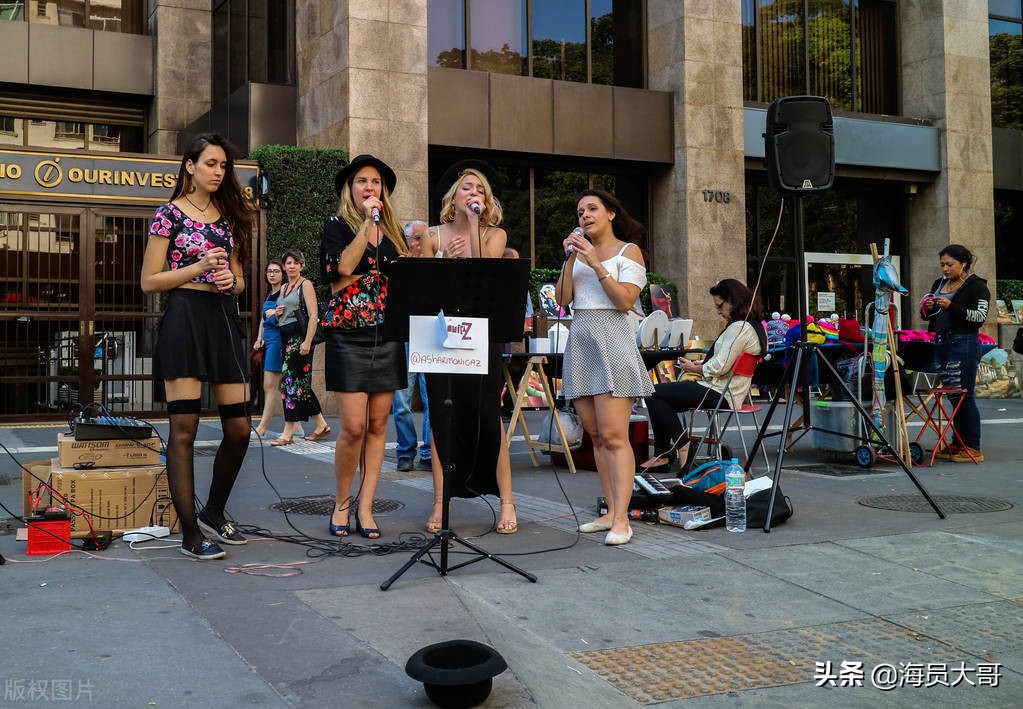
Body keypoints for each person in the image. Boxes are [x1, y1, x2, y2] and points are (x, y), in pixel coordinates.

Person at [140, 132, 253, 560]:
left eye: (223, 166)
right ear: (190, 165)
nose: (218, 172)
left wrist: (232, 280)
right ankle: (190, 533)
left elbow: (241, 278)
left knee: (239, 428)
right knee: (183, 430)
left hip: (222, 318)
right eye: (211, 164)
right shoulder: (168, 215)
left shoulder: (227, 217)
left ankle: (214, 510)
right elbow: (149, 282)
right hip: (184, 317)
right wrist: (199, 267)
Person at [420, 162, 518, 534]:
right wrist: (444, 259)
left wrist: (475, 225)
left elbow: (486, 272)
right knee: (441, 416)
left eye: (479, 189)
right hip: (441, 332)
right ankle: (440, 502)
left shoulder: (494, 233)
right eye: (466, 188)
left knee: (487, 412)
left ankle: (506, 501)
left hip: (481, 332)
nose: (473, 193)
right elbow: (425, 288)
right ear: (452, 198)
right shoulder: (432, 235)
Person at [555, 189, 653, 546]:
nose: (585, 215)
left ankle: (623, 520)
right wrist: (570, 259)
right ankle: (611, 511)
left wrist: (595, 262)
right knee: (595, 436)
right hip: (581, 339)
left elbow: (625, 300)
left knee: (614, 436)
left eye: (592, 208)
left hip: (611, 339)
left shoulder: (628, 251)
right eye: (580, 211)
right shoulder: (577, 255)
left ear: (611, 213)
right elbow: (563, 301)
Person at [320, 154, 409, 538]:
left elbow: (404, 279)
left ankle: (367, 507)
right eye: (361, 181)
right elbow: (340, 268)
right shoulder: (337, 225)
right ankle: (342, 503)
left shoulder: (395, 232)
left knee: (377, 425)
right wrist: (366, 228)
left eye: (375, 182)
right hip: (348, 332)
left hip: (386, 334)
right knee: (353, 427)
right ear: (350, 188)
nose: (369, 188)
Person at [643, 279, 768, 474]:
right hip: (727, 391)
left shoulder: (739, 328)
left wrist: (694, 368)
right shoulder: (753, 326)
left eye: (720, 305)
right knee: (659, 399)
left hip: (720, 392)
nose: (718, 311)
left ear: (734, 301)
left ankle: (680, 447)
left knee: (653, 392)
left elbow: (719, 366)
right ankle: (666, 453)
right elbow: (724, 363)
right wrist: (698, 367)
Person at [920, 244, 990, 463]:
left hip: (964, 343)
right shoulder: (939, 283)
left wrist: (952, 305)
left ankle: (973, 447)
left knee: (963, 395)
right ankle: (958, 443)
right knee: (952, 396)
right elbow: (928, 316)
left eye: (950, 264)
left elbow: (979, 317)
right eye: (942, 264)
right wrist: (930, 307)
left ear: (964, 264)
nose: (945, 269)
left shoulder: (977, 287)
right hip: (941, 343)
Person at [271, 248, 331, 446]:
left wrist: (307, 341)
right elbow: (285, 313)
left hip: (299, 338)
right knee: (300, 385)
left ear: (301, 265)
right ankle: (321, 424)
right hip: (286, 338)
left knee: (290, 384)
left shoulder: (305, 285)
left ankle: (287, 432)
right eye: (288, 263)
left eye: (295, 263)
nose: (292, 266)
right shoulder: (285, 288)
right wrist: (278, 313)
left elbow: (313, 315)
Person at [392, 220, 432, 473]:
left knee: (432, 397)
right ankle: (405, 451)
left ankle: (428, 451)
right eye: (416, 238)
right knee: (402, 399)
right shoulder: (396, 263)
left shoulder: (434, 260)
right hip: (405, 333)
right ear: (406, 240)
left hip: (428, 333)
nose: (420, 243)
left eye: (424, 237)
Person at [251, 259, 285, 437]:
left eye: (276, 271)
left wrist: (273, 314)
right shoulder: (269, 294)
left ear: (282, 274)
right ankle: (297, 426)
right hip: (268, 342)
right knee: (285, 386)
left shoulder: (285, 293)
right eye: (269, 271)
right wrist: (259, 339)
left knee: (269, 386)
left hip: (279, 342)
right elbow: (264, 320)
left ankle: (262, 427)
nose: (272, 274)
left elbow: (283, 317)